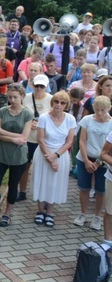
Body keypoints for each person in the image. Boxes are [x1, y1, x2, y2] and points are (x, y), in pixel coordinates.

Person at [0, 84, 33, 227]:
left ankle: (8, 212)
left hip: (18, 157)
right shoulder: (2, 111)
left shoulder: (27, 114)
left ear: (22, 97)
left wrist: (4, 133)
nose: (12, 100)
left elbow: (24, 137)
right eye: (10, 97)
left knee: (13, 185)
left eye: (15, 97)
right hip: (2, 154)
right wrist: (13, 138)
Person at [32, 91, 77, 228]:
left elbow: (69, 142)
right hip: (43, 154)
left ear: (66, 105)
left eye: (62, 103)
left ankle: (50, 212)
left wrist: (56, 156)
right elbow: (40, 139)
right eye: (56, 102)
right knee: (41, 181)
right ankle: (40, 211)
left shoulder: (70, 119)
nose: (59, 105)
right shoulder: (44, 117)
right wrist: (50, 158)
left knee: (55, 183)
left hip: (60, 155)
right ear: (52, 103)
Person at [72, 95, 112, 231]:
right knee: (84, 187)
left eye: (103, 110)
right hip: (85, 157)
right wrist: (86, 160)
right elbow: (82, 141)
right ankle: (83, 213)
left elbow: (109, 148)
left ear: (108, 108)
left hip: (103, 161)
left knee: (101, 190)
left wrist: (98, 162)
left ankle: (97, 216)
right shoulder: (87, 119)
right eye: (97, 110)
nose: (99, 113)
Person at [16, 74, 53, 201]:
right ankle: (22, 192)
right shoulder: (25, 98)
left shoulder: (51, 100)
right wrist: (28, 123)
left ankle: (42, 194)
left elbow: (54, 119)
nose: (39, 88)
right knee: (24, 166)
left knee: (42, 167)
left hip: (43, 140)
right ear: (32, 85)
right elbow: (18, 114)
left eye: (42, 86)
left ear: (46, 86)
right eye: (37, 85)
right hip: (27, 138)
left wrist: (41, 126)